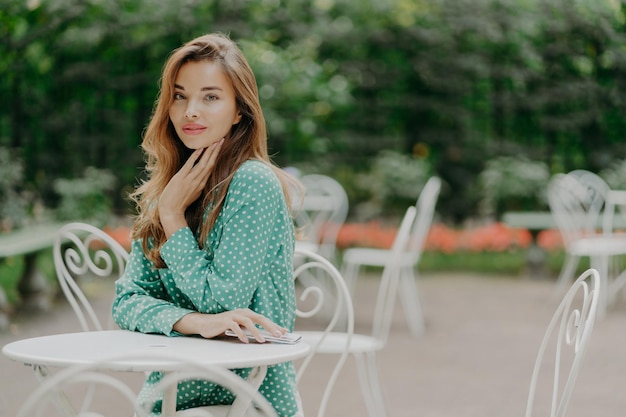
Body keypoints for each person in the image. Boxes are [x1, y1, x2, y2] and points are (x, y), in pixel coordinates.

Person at [112, 32, 302, 416]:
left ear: (239, 111)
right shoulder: (168, 190)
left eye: (210, 97)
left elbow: (223, 300)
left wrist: (172, 219)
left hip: (245, 400)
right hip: (167, 398)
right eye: (180, 96)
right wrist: (196, 322)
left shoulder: (252, 183)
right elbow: (127, 302)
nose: (190, 111)